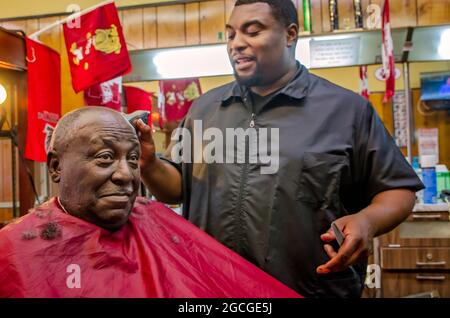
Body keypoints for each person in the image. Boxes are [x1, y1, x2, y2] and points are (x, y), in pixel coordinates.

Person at [136, 0, 424, 297]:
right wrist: (149, 165)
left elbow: (398, 190)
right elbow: (177, 187)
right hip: (212, 290)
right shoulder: (205, 109)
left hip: (308, 290)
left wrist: (367, 221)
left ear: (290, 35)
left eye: (253, 31)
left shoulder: (346, 111)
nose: (237, 43)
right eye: (231, 34)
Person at [0, 106, 300, 298]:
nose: (126, 175)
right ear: (56, 167)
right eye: (105, 158)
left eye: (132, 160)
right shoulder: (13, 250)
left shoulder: (156, 220)